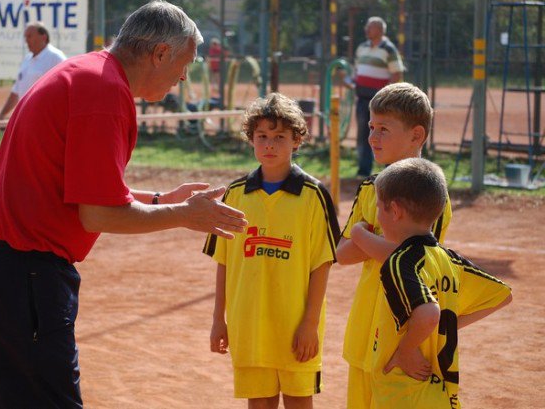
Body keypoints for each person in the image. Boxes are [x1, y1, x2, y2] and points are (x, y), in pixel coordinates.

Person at [0, 0, 247, 408]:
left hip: (1, 262)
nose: (184, 77)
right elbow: (96, 214)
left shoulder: (91, 72)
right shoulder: (104, 90)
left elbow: (88, 192)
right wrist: (183, 215)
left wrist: (162, 200)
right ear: (159, 53)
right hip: (23, 268)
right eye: (184, 63)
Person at [204, 93, 341, 409]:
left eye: (280, 137)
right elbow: (223, 262)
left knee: (298, 401)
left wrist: (309, 324)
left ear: (297, 140)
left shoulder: (313, 195)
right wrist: (218, 319)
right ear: (250, 139)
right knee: (259, 403)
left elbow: (322, 264)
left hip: (296, 327)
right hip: (249, 325)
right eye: (262, 136)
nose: (269, 144)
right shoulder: (235, 194)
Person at [336, 82, 452, 409]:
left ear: (416, 136)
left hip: (403, 340)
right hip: (363, 333)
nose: (372, 137)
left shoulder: (432, 194)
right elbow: (340, 255)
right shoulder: (370, 188)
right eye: (371, 127)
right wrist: (379, 241)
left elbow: (414, 257)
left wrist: (362, 234)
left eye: (384, 129)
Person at [363, 158, 512, 408]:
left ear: (395, 211)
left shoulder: (399, 262)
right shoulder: (447, 258)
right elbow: (501, 295)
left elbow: (428, 312)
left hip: (405, 392)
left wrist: (407, 350)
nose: (377, 215)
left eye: (379, 207)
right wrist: (448, 324)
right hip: (442, 394)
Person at [351, 16, 405, 178]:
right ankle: (364, 171)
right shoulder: (361, 48)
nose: (366, 29)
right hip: (362, 99)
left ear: (380, 30)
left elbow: (397, 73)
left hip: (382, 103)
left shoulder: (389, 49)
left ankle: (390, 171)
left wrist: (389, 96)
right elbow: (357, 71)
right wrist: (353, 82)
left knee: (385, 134)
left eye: (371, 27)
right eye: (366, 26)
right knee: (363, 134)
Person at [0, 21, 67, 120]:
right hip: (25, 118)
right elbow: (16, 93)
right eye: (25, 37)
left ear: (43, 37)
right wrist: (1, 115)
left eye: (29, 36)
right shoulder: (27, 59)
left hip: (45, 119)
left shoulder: (56, 57)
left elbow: (66, 90)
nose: (26, 40)